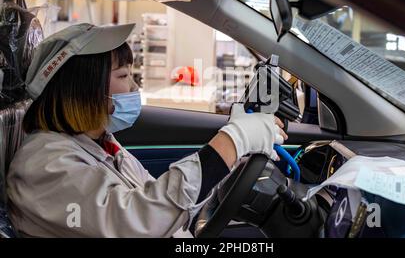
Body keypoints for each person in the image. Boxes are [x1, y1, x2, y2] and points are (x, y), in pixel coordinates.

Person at [6, 23, 288, 237]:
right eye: (123, 76)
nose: (134, 88)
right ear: (82, 89)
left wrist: (230, 165)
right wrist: (233, 141)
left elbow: (160, 200)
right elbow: (142, 221)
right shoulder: (44, 166)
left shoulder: (99, 145)